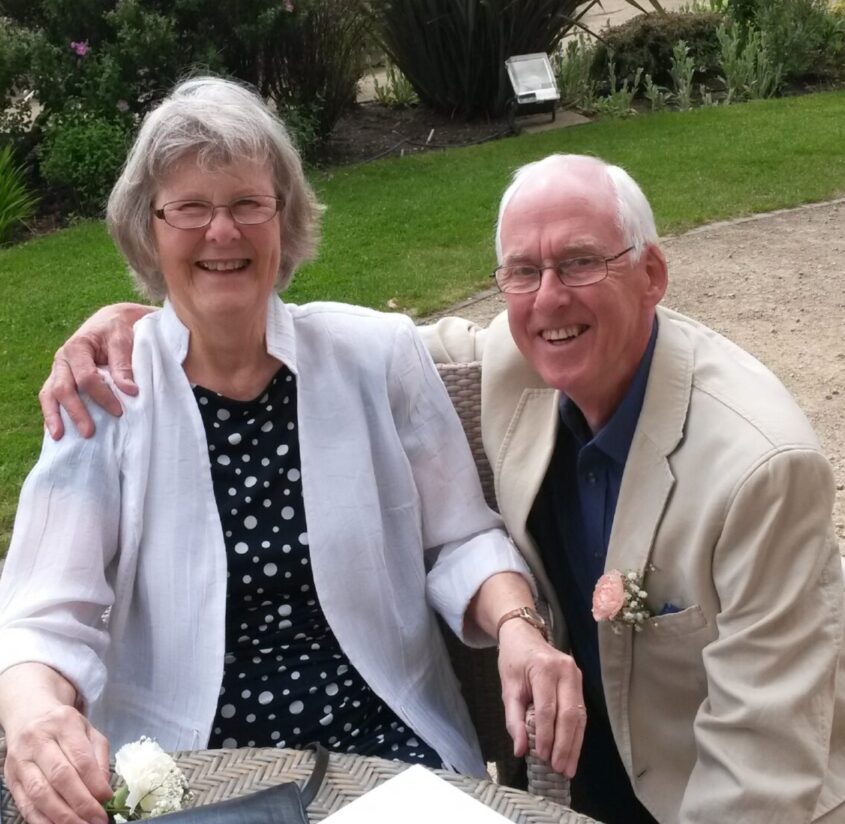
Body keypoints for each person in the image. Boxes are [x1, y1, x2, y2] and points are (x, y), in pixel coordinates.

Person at [43, 152, 845, 824]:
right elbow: (333, 351)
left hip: (697, 791)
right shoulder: (519, 355)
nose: (549, 299)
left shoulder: (760, 470)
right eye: (522, 271)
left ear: (652, 274)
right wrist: (155, 322)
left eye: (580, 262)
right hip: (582, 775)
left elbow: (762, 770)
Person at [0, 83, 588, 824]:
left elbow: (461, 537)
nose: (223, 231)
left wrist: (519, 628)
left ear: (285, 218)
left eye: (249, 203)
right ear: (148, 231)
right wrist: (33, 713)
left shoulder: (375, 355)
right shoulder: (107, 391)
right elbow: (42, 612)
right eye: (189, 207)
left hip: (385, 748)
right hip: (186, 769)